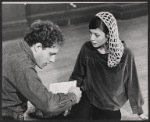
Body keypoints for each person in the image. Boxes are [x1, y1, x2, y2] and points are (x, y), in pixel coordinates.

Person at [67, 11, 148, 120]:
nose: (92, 38)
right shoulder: (87, 48)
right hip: (88, 97)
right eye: (90, 33)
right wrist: (69, 99)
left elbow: (132, 84)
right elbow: (77, 75)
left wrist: (139, 111)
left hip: (109, 106)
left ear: (109, 34)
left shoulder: (126, 54)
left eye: (96, 35)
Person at [2, 20, 82, 120]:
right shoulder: (24, 67)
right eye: (51, 54)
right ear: (38, 47)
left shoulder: (14, 46)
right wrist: (73, 96)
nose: (53, 60)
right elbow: (49, 105)